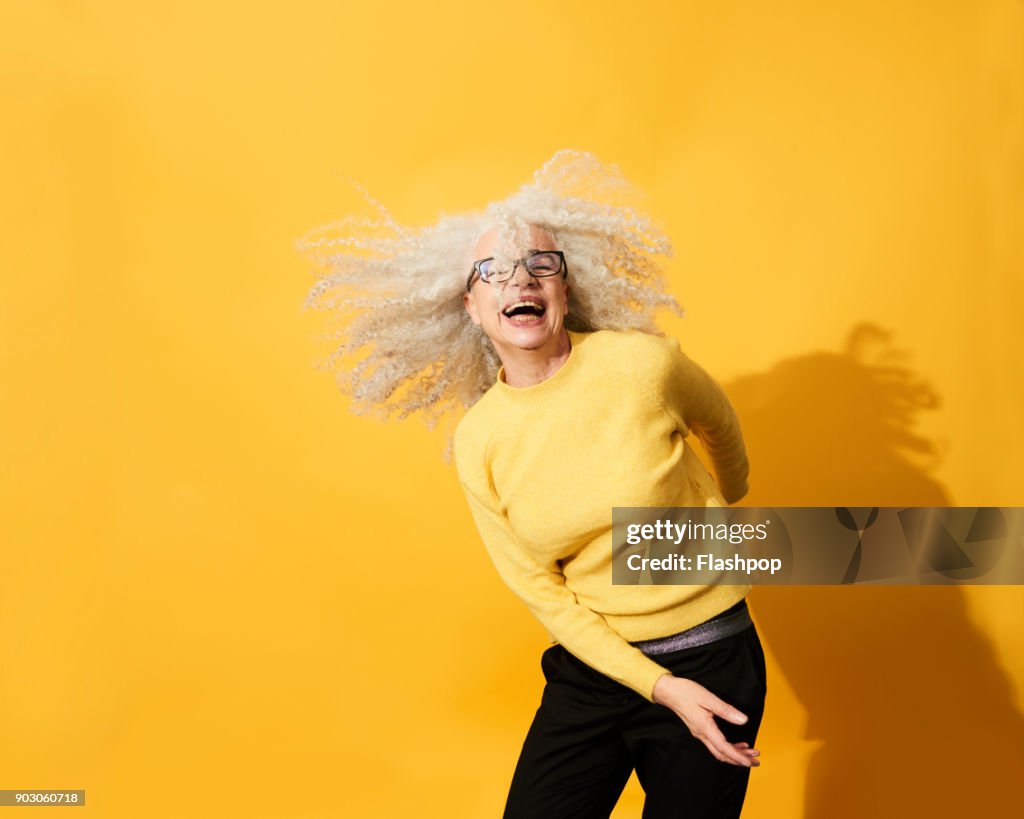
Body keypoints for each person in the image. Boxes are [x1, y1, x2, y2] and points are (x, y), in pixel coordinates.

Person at [301, 150, 768, 818]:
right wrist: (658, 687)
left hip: (710, 658)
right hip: (597, 671)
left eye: (539, 264)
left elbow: (719, 424)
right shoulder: (481, 439)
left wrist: (730, 503)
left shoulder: (642, 366)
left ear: (564, 288)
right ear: (470, 303)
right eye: (492, 271)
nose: (519, 278)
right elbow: (544, 592)